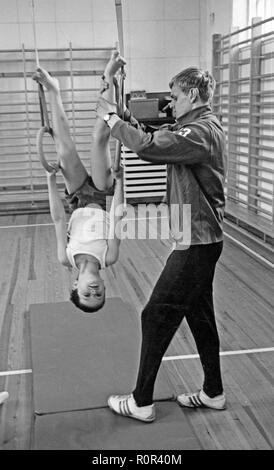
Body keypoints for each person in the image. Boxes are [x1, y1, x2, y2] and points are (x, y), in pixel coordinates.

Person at [97, 67, 227, 421]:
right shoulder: (194, 128)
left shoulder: (201, 132)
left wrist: (110, 119)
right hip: (198, 239)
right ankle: (213, 392)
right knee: (200, 317)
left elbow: (150, 147)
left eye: (176, 96)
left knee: (155, 314)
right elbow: (155, 134)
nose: (171, 103)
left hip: (197, 244)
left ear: (194, 96)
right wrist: (123, 116)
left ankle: (141, 401)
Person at [32, 50, 126, 313]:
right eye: (99, 295)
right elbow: (117, 217)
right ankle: (108, 76)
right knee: (99, 138)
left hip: (78, 199)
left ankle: (54, 90)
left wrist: (50, 182)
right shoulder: (109, 257)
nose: (93, 292)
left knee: (63, 150)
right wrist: (119, 185)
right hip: (104, 196)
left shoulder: (65, 257)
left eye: (87, 294)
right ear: (105, 288)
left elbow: (59, 219)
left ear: (75, 286)